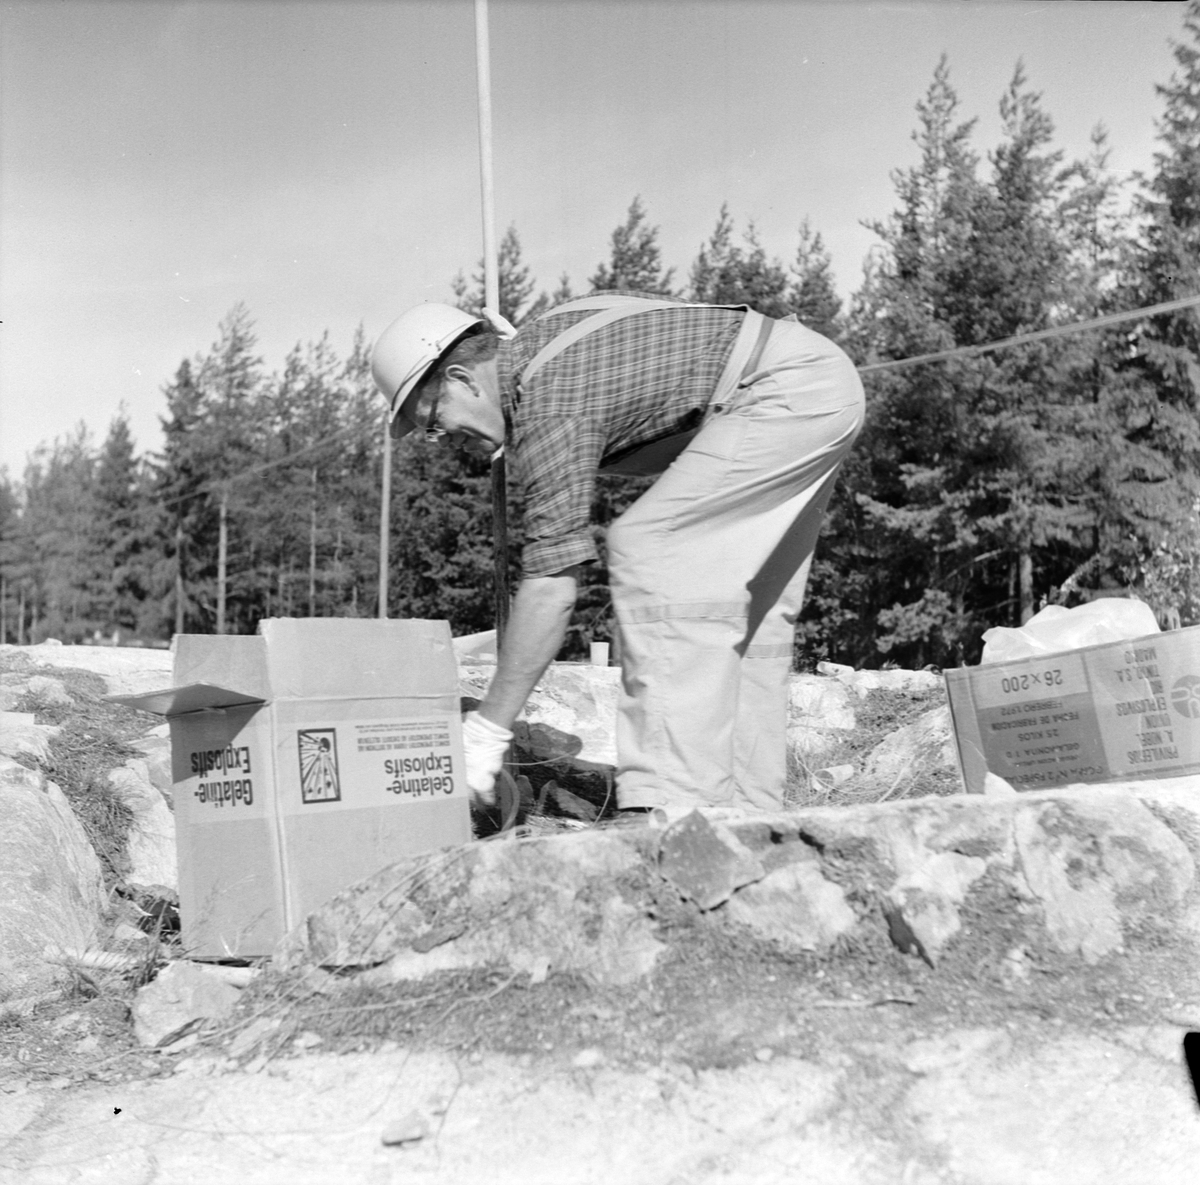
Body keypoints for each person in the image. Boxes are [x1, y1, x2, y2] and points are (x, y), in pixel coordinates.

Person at [370, 293, 864, 814]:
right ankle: (749, 812)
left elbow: (551, 587)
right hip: (815, 384)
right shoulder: (545, 353)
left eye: (432, 420)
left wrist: (487, 730)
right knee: (749, 616)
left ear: (464, 379)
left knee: (652, 548)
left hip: (780, 391)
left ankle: (677, 809)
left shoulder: (546, 396)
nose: (445, 438)